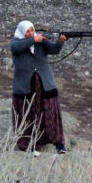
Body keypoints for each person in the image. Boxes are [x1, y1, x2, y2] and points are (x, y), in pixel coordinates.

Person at [10, 20, 68, 154]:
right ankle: (29, 144)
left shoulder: (41, 41)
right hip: (25, 87)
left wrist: (61, 41)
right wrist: (34, 39)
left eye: (32, 30)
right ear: (22, 32)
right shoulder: (16, 43)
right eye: (27, 31)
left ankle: (58, 143)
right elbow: (16, 48)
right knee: (27, 115)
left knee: (50, 113)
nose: (30, 33)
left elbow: (54, 50)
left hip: (44, 84)